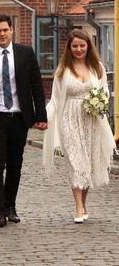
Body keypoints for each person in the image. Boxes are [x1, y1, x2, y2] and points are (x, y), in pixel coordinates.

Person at [0, 14, 48, 228]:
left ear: (12, 30)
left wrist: (41, 115)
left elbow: (36, 87)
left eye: (6, 30)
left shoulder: (25, 54)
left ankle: (10, 206)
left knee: (15, 164)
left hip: (19, 118)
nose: (2, 34)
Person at [43, 29, 116, 223]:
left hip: (91, 120)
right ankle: (78, 207)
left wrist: (100, 102)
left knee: (88, 164)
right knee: (76, 162)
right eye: (74, 46)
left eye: (82, 45)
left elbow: (105, 92)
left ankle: (83, 203)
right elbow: (56, 99)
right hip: (69, 119)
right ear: (69, 48)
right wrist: (44, 118)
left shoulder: (97, 68)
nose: (78, 49)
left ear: (88, 46)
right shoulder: (63, 71)